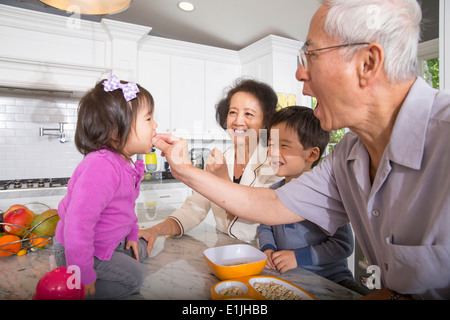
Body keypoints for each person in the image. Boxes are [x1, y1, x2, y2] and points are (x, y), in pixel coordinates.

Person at [152, 0, 450, 300]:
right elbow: (271, 206)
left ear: (367, 63)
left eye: (311, 55)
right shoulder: (347, 156)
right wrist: (184, 168)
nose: (299, 73)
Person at [139, 79, 281, 254]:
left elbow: (259, 213)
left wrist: (223, 179)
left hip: (260, 254)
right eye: (233, 112)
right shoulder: (221, 158)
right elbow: (194, 209)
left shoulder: (275, 163)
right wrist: (155, 230)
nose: (238, 121)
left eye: (249, 114)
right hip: (223, 249)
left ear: (266, 121)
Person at [53, 74, 157, 299]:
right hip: (80, 249)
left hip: (107, 242)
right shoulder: (101, 166)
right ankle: (74, 290)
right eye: (148, 119)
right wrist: (82, 272)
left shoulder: (124, 162)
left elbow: (127, 208)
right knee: (136, 275)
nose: (155, 125)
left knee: (139, 251)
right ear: (116, 130)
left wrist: (132, 235)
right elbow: (77, 225)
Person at [258, 106, 370, 296]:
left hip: (333, 281)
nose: (273, 152)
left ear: (312, 155)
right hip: (290, 280)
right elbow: (264, 226)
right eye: (271, 144)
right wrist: (268, 248)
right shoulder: (273, 192)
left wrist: (298, 257)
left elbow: (343, 245)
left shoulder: (326, 197)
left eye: (283, 145)